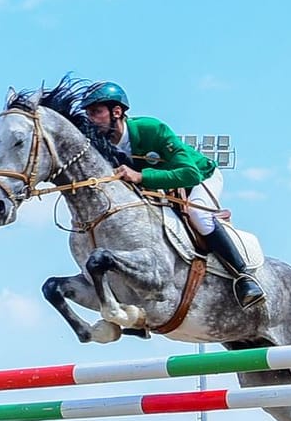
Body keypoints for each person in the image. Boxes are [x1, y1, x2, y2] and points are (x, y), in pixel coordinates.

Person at [79, 81, 266, 309]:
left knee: (198, 214)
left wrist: (140, 176)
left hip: (201, 176)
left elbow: (190, 173)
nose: (91, 119)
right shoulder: (101, 145)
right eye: (88, 113)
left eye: (96, 112)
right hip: (163, 188)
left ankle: (243, 277)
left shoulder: (151, 129)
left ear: (116, 111)